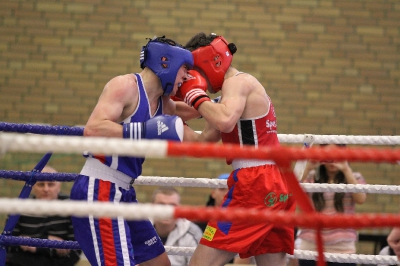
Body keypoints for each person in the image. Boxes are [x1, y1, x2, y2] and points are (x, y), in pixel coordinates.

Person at [69, 36, 194, 266]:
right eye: (185, 69)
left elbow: (192, 121)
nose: (187, 76)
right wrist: (144, 130)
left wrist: (217, 105)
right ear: (167, 62)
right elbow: (93, 128)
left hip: (124, 192)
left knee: (159, 264)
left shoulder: (164, 104)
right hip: (99, 188)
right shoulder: (124, 85)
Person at [178, 32, 296, 266]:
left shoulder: (238, 83)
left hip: (255, 184)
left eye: (196, 72)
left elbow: (224, 121)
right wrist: (169, 123)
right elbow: (202, 143)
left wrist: (193, 95)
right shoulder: (230, 95)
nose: (195, 79)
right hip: (275, 183)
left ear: (213, 62)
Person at [296, 144, 367, 266]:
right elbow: (294, 194)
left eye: (337, 155)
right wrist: (307, 167)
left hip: (343, 249)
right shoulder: (312, 176)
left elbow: (361, 198)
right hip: (311, 246)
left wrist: (346, 168)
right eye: (328, 156)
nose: (332, 161)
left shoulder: (354, 177)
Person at [6, 165, 81, 266]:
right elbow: (9, 247)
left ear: (59, 186)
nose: (46, 189)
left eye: (51, 184)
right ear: (33, 187)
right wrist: (49, 240)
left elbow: (74, 252)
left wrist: (31, 243)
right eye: (41, 184)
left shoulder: (72, 207)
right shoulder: (19, 206)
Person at [151, 186, 203, 266]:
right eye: (161, 205)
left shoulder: (192, 233)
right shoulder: (138, 229)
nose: (167, 210)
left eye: (172, 205)